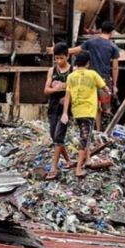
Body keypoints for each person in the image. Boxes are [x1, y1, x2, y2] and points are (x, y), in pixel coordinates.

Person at [61, 51, 109, 178]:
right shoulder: (93, 74)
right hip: (88, 111)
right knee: (84, 139)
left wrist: (65, 112)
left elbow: (67, 96)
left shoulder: (71, 76)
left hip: (76, 112)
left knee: (86, 136)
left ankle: (87, 160)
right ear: (88, 63)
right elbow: (105, 88)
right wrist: (108, 91)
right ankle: (78, 169)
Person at [70, 21, 120, 130]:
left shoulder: (91, 42)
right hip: (104, 79)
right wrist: (115, 85)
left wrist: (60, 51)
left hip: (90, 79)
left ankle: (95, 130)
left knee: (95, 106)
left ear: (100, 30)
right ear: (111, 32)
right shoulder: (113, 47)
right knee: (106, 108)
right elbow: (115, 67)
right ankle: (105, 131)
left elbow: (76, 50)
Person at [44, 42, 73, 180]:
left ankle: (53, 168)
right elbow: (46, 90)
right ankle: (68, 160)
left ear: (67, 56)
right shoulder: (52, 71)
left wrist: (66, 92)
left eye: (61, 58)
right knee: (54, 136)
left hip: (65, 109)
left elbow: (73, 90)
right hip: (53, 108)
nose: (59, 61)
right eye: (56, 58)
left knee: (58, 137)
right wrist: (58, 89)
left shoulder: (72, 72)